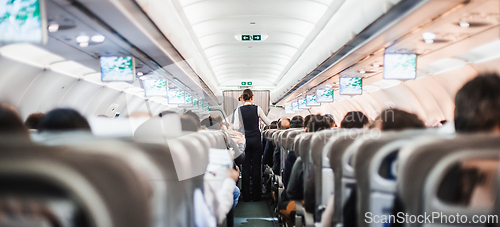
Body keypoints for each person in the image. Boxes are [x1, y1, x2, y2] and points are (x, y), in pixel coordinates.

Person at [279, 115, 331, 226]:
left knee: (284, 203)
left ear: (306, 131)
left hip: (309, 206)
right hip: (340, 210)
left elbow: (291, 190)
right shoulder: (341, 154)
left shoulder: (300, 156)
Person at [231, 89, 271, 201]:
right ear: (252, 98)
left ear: (242, 99)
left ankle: (246, 196)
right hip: (256, 141)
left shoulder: (238, 110)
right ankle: (256, 195)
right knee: (257, 167)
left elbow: (234, 128)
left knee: (245, 167)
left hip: (244, 141)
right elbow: (268, 122)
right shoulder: (257, 108)